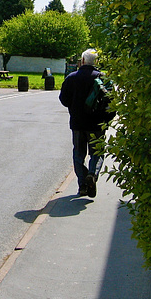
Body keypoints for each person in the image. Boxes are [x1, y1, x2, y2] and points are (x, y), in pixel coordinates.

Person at [59, 49, 115, 197]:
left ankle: (83, 184)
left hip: (78, 124)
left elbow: (64, 100)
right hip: (97, 125)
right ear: (96, 62)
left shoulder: (71, 78)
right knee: (97, 153)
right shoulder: (104, 79)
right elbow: (113, 103)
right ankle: (92, 174)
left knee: (78, 154)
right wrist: (106, 120)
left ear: (82, 61)